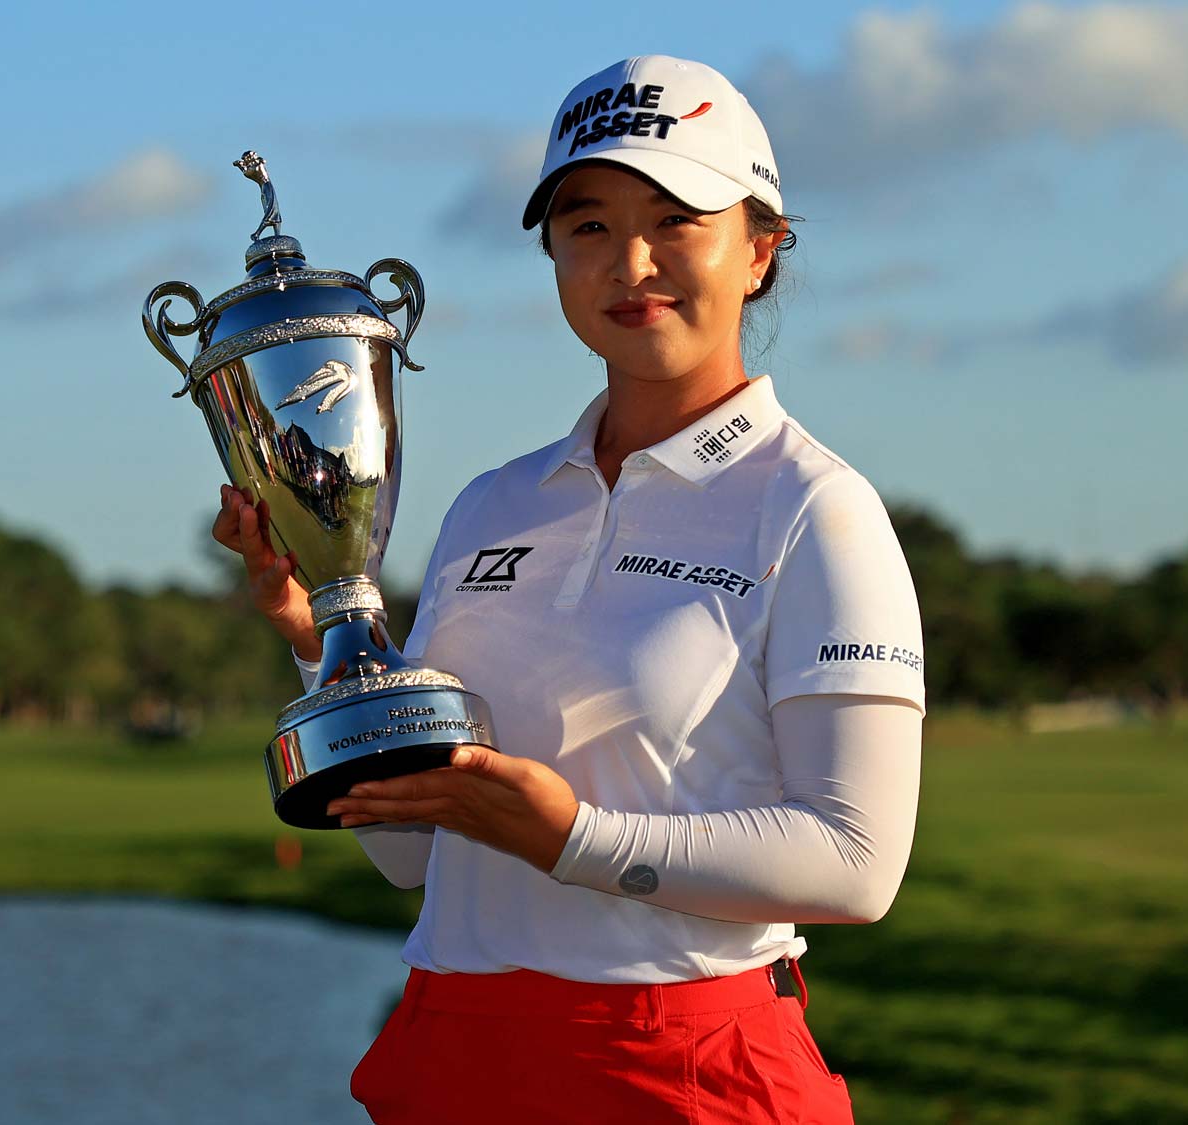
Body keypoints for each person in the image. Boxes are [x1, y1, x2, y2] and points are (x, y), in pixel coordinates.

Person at [213, 54, 922, 1124]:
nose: (628, 262)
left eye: (674, 217)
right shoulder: (491, 506)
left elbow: (854, 863)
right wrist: (318, 634)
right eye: (586, 226)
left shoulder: (814, 507)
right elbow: (411, 854)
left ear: (760, 250)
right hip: (457, 1052)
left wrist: (569, 838)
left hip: (679, 1067)